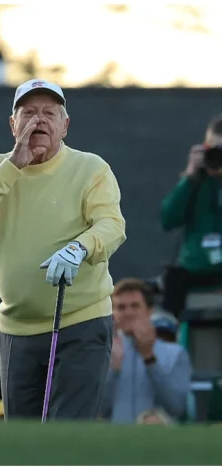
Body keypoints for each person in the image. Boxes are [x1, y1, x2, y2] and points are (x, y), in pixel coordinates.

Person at [0, 79, 126, 421]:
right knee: (23, 438)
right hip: (16, 327)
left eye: (49, 113)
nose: (39, 120)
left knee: (68, 433)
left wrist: (79, 248)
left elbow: (112, 226)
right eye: (29, 112)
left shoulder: (91, 168)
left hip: (82, 320)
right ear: (13, 124)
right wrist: (13, 165)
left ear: (65, 125)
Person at [101, 278, 192, 423]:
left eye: (135, 306)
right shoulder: (102, 353)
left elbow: (176, 408)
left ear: (149, 311)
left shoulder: (175, 353)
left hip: (157, 442)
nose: (128, 312)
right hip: (114, 441)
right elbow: (96, 410)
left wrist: (150, 359)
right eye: (121, 307)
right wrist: (113, 370)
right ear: (113, 313)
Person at [160, 115, 222, 318]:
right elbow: (168, 219)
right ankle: (169, 340)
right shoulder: (196, 182)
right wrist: (190, 176)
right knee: (173, 280)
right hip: (195, 267)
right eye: (215, 150)